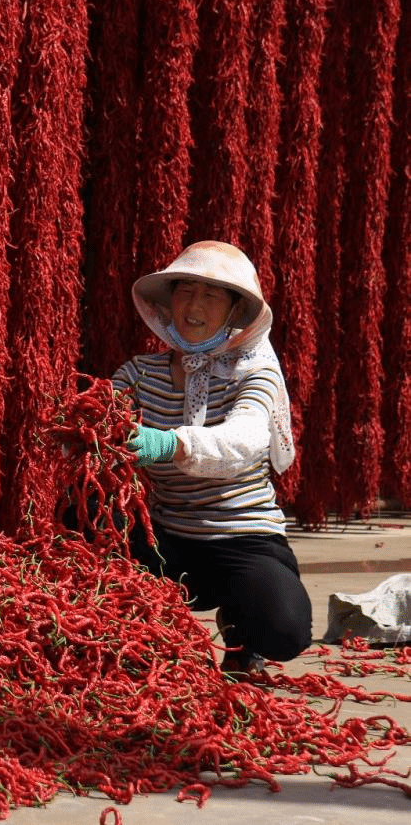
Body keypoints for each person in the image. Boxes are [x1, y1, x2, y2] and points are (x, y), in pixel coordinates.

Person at [113, 240, 311, 675]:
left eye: (211, 294)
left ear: (235, 310)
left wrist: (170, 443)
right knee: (87, 506)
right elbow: (101, 415)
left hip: (240, 536)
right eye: (185, 290)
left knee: (283, 629)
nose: (194, 305)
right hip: (167, 538)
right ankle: (149, 634)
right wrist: (79, 431)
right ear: (169, 302)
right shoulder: (139, 373)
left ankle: (240, 629)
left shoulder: (254, 373)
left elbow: (245, 440)